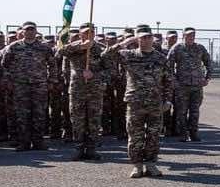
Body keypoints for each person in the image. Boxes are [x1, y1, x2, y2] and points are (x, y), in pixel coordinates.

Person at [118, 25, 171, 178]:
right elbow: (107, 55)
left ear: (153, 38)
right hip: (135, 102)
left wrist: (168, 100)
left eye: (148, 37)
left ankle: (151, 164)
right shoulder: (129, 55)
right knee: (135, 135)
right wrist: (126, 42)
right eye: (142, 37)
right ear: (137, 39)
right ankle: (137, 165)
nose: (146, 40)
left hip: (155, 102)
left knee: (154, 135)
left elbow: (168, 81)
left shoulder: (161, 58)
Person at [57, 24, 115, 160]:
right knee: (77, 119)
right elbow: (60, 52)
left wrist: (95, 75)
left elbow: (110, 70)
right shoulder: (73, 46)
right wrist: (81, 46)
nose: (89, 34)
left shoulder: (101, 48)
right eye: (85, 32)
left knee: (94, 120)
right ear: (80, 34)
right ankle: (78, 148)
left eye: (91, 32)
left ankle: (91, 149)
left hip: (95, 90)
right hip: (77, 89)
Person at [0, 22, 53, 151]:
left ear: (36, 31)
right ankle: (24, 142)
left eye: (32, 30)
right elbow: (4, 66)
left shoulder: (44, 48)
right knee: (22, 115)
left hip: (39, 85)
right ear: (22, 32)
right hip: (20, 85)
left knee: (39, 114)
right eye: (27, 30)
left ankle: (38, 142)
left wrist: (52, 81)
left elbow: (53, 65)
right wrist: (8, 81)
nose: (29, 32)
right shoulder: (14, 47)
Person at [168, 28, 212, 141]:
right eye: (188, 35)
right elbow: (169, 66)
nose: (191, 37)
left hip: (197, 86)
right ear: (183, 36)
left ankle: (194, 133)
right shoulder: (177, 48)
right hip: (182, 86)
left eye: (193, 35)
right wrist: (174, 80)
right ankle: (182, 134)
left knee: (195, 111)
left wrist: (207, 78)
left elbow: (208, 62)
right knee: (181, 111)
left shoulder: (200, 48)